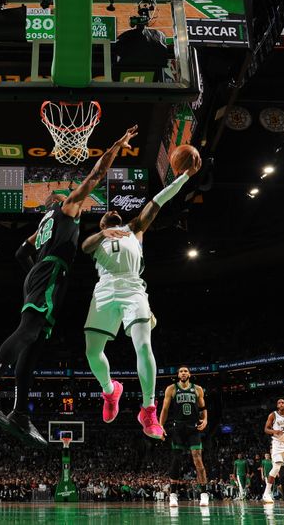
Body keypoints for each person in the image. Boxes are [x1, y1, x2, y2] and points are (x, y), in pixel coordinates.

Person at [0, 125, 139, 446]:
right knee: (28, 333)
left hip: (43, 275)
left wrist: (36, 274)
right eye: (74, 201)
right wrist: (117, 144)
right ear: (63, 203)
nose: (81, 204)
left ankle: (19, 413)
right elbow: (97, 175)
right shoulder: (66, 210)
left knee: (32, 347)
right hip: (49, 274)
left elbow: (20, 252)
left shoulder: (43, 224)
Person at [82, 156, 201, 440]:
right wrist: (101, 234)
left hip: (134, 288)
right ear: (101, 222)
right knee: (91, 352)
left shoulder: (135, 228)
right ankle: (111, 392)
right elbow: (84, 247)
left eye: (114, 213)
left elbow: (158, 201)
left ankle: (148, 408)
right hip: (105, 290)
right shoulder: (97, 238)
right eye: (105, 214)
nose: (111, 211)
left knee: (144, 346)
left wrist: (184, 177)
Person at [159, 366, 209, 507]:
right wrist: (160, 426)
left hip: (193, 427)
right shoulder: (171, 388)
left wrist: (205, 420)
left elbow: (203, 408)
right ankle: (173, 495)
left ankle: (204, 494)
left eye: (185, 371)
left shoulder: (198, 389)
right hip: (178, 428)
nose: (183, 373)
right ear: (178, 375)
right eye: (181, 371)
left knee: (198, 459)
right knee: (176, 460)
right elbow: (165, 409)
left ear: (189, 374)